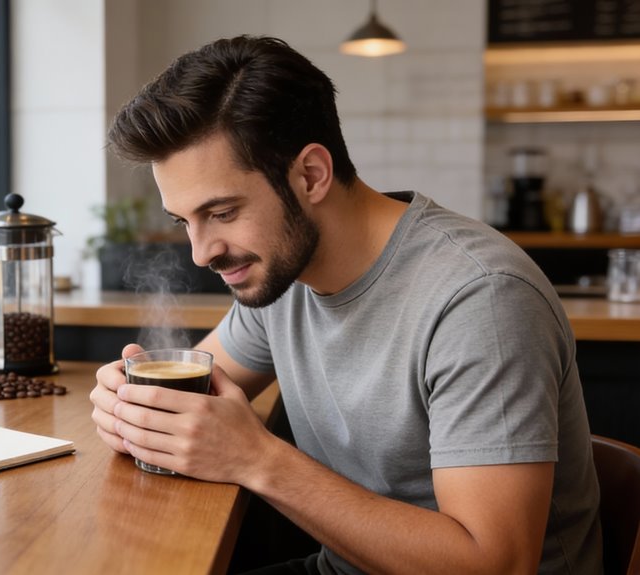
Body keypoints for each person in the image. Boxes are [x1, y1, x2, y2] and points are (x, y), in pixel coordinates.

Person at [90, 35, 602, 574]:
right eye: (184, 221)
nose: (201, 254)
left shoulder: (480, 297)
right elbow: (208, 392)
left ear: (311, 174)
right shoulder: (277, 273)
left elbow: (494, 564)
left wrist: (256, 458)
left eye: (222, 212)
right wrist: (134, 410)